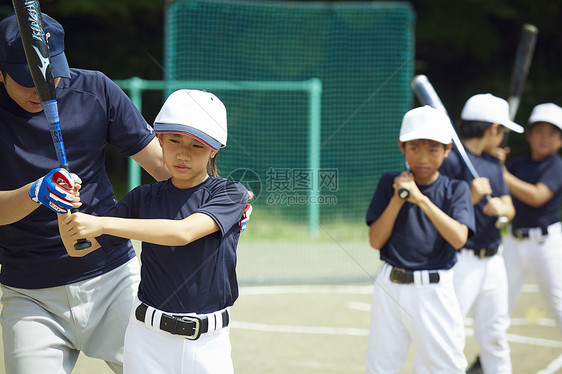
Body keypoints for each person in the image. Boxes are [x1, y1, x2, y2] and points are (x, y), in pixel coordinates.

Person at [0, 12, 171, 374]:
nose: (42, 89)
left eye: (51, 75)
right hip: (30, 296)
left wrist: (217, 199)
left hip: (113, 280)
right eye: (26, 79)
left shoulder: (95, 89)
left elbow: (162, 166)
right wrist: (34, 192)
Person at [59, 89, 248, 374]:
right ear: (159, 139)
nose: (183, 152)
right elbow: (77, 247)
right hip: (146, 339)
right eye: (174, 140)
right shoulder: (143, 198)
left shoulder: (230, 194)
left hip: (208, 343)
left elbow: (183, 232)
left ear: (215, 149)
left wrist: (102, 223)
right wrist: (65, 206)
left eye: (197, 145)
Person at [365, 105, 475, 373]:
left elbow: (459, 238)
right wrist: (397, 198)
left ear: (447, 149)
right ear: (402, 147)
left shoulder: (455, 188)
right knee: (381, 365)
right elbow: (376, 241)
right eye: (414, 148)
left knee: (445, 366)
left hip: (433, 289)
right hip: (390, 285)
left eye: (433, 149)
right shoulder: (389, 182)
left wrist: (420, 200)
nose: (423, 158)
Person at [439, 94, 523, 374]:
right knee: (449, 334)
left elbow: (509, 208)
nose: (502, 137)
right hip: (461, 260)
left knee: (496, 334)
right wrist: (472, 198)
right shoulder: (448, 161)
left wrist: (501, 207)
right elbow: (437, 215)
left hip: (494, 259)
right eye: (502, 130)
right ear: (491, 129)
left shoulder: (491, 164)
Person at [501, 103, 562, 334]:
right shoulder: (518, 164)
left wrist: (504, 175)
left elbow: (538, 196)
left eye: (552, 133)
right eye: (539, 132)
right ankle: (487, 362)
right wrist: (494, 163)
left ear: (560, 140)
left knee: (558, 303)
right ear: (529, 135)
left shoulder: (556, 166)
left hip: (545, 244)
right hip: (514, 242)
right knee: (500, 302)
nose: (545, 138)